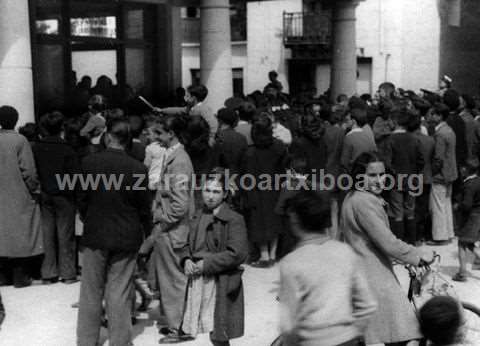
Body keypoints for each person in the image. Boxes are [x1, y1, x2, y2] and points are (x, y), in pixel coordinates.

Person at [340, 151, 434, 346]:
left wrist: (401, 258)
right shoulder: (364, 202)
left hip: (365, 270)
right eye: (372, 175)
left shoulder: (354, 197)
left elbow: (370, 240)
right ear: (360, 176)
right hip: (373, 276)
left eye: (382, 175)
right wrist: (418, 255)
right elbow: (388, 242)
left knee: (384, 334)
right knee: (410, 332)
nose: (379, 180)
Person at [76, 117, 152, 346]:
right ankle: (120, 341)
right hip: (126, 235)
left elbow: (82, 199)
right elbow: (143, 207)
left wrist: (88, 216)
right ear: (128, 140)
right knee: (119, 291)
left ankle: (87, 341)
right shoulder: (138, 168)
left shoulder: (89, 163)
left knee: (90, 291)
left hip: (96, 233)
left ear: (108, 136)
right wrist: (146, 233)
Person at [279, 190, 377, 346]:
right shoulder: (345, 252)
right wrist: (353, 332)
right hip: (348, 339)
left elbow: (288, 324)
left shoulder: (291, 262)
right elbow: (368, 304)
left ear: (295, 221)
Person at [180, 168, 249, 346]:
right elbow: (187, 243)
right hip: (199, 277)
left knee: (219, 333)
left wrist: (207, 264)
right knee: (204, 326)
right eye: (207, 190)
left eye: (216, 192)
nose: (210, 196)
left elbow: (237, 253)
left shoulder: (234, 219)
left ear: (225, 194)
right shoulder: (197, 215)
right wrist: (186, 259)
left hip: (221, 280)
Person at [150, 115, 195, 343]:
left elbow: (180, 204)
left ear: (171, 134)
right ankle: (175, 323)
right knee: (170, 280)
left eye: (159, 133)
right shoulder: (174, 156)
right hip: (171, 229)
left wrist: (161, 219)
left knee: (174, 281)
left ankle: (180, 328)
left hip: (172, 230)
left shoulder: (179, 161)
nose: (156, 137)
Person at [32, 112, 79, 284]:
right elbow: (74, 176)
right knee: (65, 234)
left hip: (45, 193)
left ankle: (49, 272)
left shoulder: (36, 147)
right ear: (62, 128)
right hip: (64, 195)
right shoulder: (67, 149)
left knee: (47, 234)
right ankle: (67, 273)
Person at [0, 106, 43, 288]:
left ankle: (2, 276)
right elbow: (28, 171)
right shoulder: (20, 140)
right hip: (18, 192)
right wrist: (35, 189)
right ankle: (20, 276)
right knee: (22, 232)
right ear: (16, 120)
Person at [241, 114, 287, 267]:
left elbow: (246, 176)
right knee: (275, 219)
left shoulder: (250, 152)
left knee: (258, 221)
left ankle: (264, 255)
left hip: (256, 190)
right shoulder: (279, 147)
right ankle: (273, 254)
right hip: (275, 187)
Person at [384, 108, 424, 243]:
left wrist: (393, 175)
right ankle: (412, 241)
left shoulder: (390, 139)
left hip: (396, 181)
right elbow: (421, 160)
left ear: (395, 122)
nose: (387, 123)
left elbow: (387, 163)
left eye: (389, 120)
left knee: (397, 212)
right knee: (410, 210)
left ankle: (399, 242)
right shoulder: (414, 139)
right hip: (412, 179)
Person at [429, 103, 458, 245]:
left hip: (440, 175)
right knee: (446, 204)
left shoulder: (440, 134)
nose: (431, 116)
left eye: (433, 114)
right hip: (451, 172)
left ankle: (440, 237)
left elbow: (438, 158)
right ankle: (449, 233)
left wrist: (432, 172)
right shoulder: (449, 130)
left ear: (439, 116)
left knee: (438, 206)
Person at [452, 159, 480, 282]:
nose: (460, 170)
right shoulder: (478, 181)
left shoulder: (468, 185)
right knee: (469, 243)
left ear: (466, 170)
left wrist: (458, 206)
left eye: (462, 168)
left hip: (471, 218)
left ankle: (462, 273)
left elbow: (467, 205)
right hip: (478, 216)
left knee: (462, 244)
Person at [340, 108, 377, 174]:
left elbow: (344, 162)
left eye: (347, 120)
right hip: (369, 171)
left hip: (355, 173)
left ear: (353, 121)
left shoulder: (349, 137)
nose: (346, 122)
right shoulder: (368, 134)